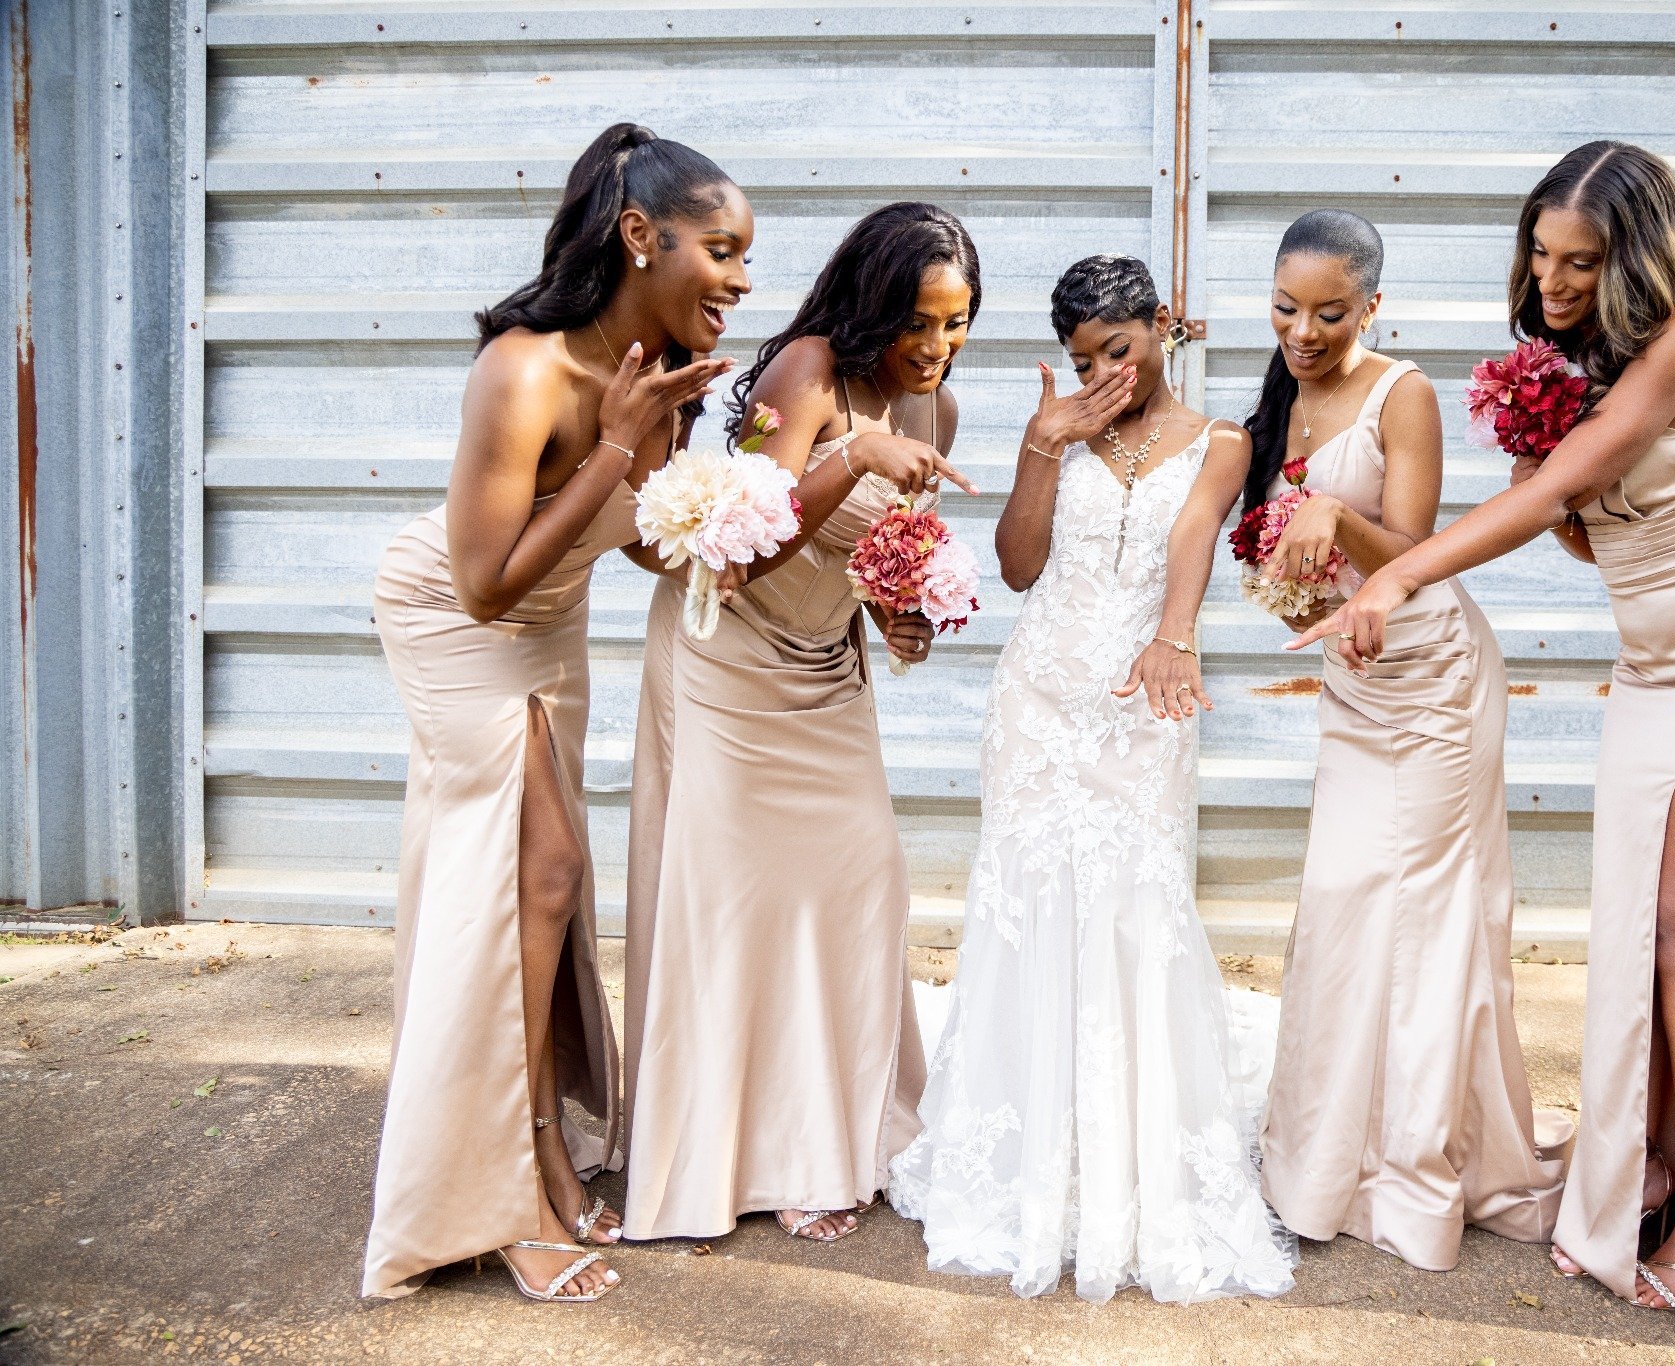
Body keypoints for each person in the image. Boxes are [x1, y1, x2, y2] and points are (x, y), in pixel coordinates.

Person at [1293, 142, 1675, 1346]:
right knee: (1646, 930)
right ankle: (1654, 1175)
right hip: (1656, 671)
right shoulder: (1580, 360)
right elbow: (1590, 530)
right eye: (1541, 252)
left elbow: (1540, 502)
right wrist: (1548, 471)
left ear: (1639, 255)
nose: (1555, 279)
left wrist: (1394, 573)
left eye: (1582, 259)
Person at [363, 123, 748, 1302]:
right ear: (640, 236)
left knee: (545, 886)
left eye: (746, 258)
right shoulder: (523, 369)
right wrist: (620, 448)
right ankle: (500, 1188)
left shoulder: (662, 387)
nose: (739, 279)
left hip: (553, 626)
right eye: (722, 251)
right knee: (533, 874)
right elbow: (483, 582)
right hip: (457, 620)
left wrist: (712, 525)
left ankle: (532, 1146)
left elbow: (616, 538)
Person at [888, 254, 1296, 1304]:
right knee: (1027, 901)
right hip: (1036, 702)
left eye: (1118, 349)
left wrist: (1174, 638)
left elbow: (1197, 534)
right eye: (1082, 359)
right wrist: (1044, 440)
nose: (1103, 372)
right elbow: (1019, 566)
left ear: (1160, 326)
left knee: (1129, 902)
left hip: (1138, 695)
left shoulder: (1218, 440)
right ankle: (1023, 1142)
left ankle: (1125, 1148)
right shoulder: (1060, 428)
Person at [622, 202, 978, 1245]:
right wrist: (855, 458)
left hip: (829, 669)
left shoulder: (936, 409)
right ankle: (748, 1150)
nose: (934, 347)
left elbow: (877, 564)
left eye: (955, 324)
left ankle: (839, 1128)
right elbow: (743, 548)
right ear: (872, 306)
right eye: (918, 322)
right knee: (740, 904)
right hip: (730, 662)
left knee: (862, 879)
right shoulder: (804, 374)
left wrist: (907, 616)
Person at [1249, 210, 1569, 1271]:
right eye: (1285, 308)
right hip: (1355, 682)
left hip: (1431, 680)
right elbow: (1291, 562)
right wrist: (1285, 574)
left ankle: (1417, 1174)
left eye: (1328, 312)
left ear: (1371, 307)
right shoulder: (1277, 394)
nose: (1301, 331)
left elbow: (1418, 552)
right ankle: (1319, 1162)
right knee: (1341, 898)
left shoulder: (1404, 392)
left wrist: (1333, 525)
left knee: (1425, 920)